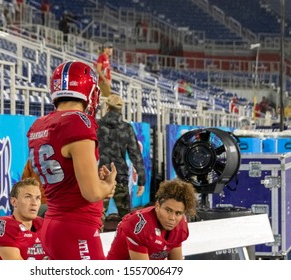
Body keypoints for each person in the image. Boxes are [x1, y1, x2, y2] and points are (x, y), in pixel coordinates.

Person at [27, 60, 117, 260]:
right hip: (76, 229)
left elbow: (68, 176)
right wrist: (108, 186)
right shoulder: (78, 121)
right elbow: (92, 193)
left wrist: (95, 179)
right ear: (89, 90)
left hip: (53, 223)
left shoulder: (39, 124)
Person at [107, 179, 197, 260]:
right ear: (157, 206)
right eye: (168, 210)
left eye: (178, 213)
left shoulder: (181, 226)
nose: (172, 218)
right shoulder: (139, 225)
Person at [97, 94, 146, 222]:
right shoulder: (126, 128)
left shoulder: (97, 126)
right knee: (127, 220)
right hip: (121, 175)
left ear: (107, 107)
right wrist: (141, 180)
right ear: (120, 109)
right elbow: (135, 154)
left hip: (102, 175)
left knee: (97, 218)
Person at [0, 178, 48, 260]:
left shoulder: (44, 224)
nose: (34, 203)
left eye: (37, 198)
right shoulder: (3, 227)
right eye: (28, 197)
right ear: (14, 201)